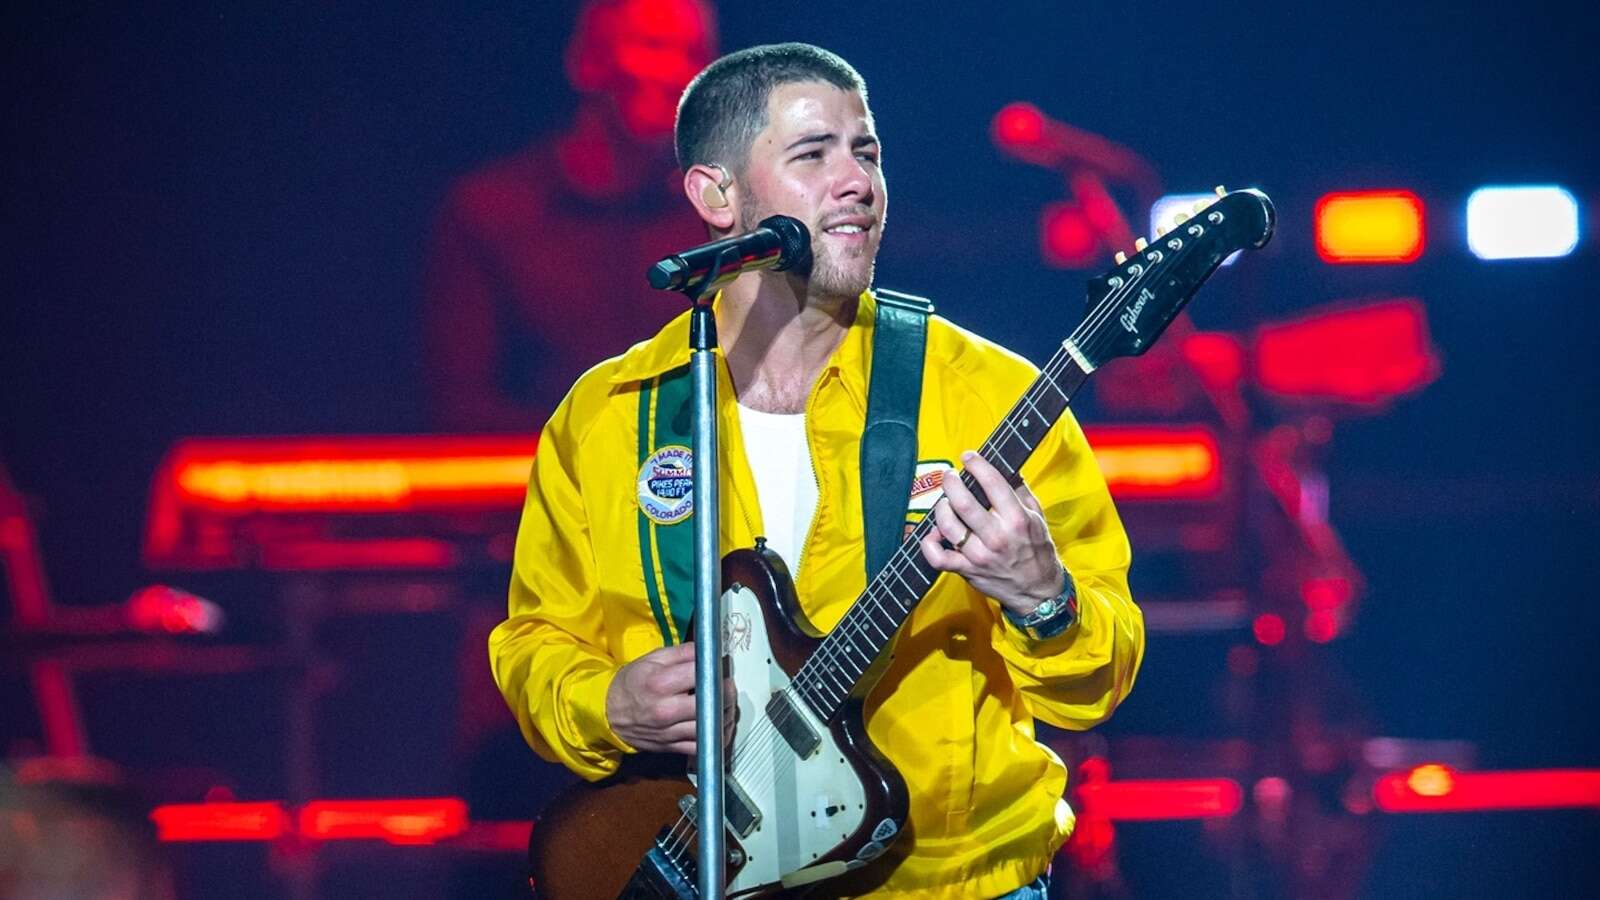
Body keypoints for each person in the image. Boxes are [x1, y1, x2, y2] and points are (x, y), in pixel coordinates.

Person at [489, 43, 1144, 897]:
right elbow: (537, 641)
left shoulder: (990, 393)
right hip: (704, 867)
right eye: (813, 153)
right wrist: (605, 704)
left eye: (866, 151)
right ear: (715, 196)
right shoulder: (610, 416)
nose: (859, 182)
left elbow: (1099, 681)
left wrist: (1043, 597)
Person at [424, 0, 718, 432]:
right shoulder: (492, 211)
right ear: (587, 61)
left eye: (693, 54)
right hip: (533, 486)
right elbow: (460, 408)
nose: (675, 72)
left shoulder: (719, 218)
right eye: (653, 46)